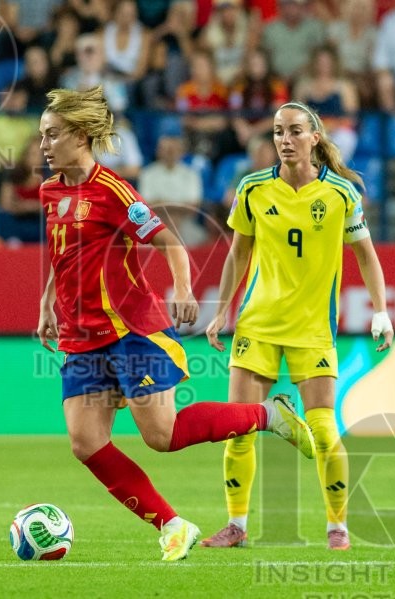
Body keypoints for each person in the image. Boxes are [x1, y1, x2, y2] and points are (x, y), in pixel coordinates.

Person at [36, 86, 316, 562]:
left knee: (161, 436)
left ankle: (270, 415)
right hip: (81, 337)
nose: (43, 145)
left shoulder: (113, 191)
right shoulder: (50, 191)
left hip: (130, 330)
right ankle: (172, 525)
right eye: (42, 135)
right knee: (85, 442)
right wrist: (48, 303)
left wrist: (183, 289)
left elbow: (169, 243)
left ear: (81, 136)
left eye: (53, 135)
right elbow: (64, 255)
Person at [202, 101, 394, 551]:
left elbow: (366, 255)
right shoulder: (252, 188)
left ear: (314, 138)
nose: (284, 140)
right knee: (238, 428)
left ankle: (337, 527)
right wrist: (221, 309)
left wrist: (381, 310)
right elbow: (238, 253)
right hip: (258, 323)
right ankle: (236, 525)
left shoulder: (341, 194)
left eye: (294, 131)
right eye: (277, 132)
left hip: (312, 328)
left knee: (324, 431)